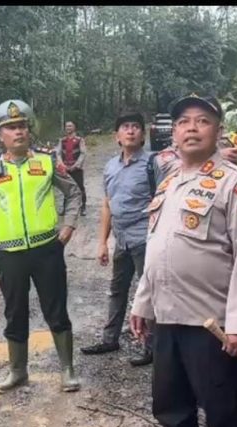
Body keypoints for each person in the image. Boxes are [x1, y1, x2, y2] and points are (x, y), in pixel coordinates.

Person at [130, 95, 237, 427]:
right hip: (168, 319)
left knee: (226, 420)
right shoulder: (169, 180)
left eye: (202, 121)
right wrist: (142, 302)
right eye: (183, 121)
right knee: (171, 407)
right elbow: (158, 247)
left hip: (214, 326)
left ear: (217, 131)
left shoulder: (235, 183)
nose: (191, 127)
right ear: (174, 131)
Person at [0, 99, 82, 394]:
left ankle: (67, 370)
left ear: (29, 131)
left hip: (47, 250)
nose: (17, 131)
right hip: (10, 254)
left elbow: (73, 193)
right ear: (0, 135)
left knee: (55, 308)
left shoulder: (45, 162)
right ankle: (18, 371)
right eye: (10, 128)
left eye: (21, 126)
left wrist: (68, 225)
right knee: (14, 311)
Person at [80, 110, 154, 366]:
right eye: (125, 127)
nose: (130, 130)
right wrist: (103, 242)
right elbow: (107, 205)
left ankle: (151, 346)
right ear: (117, 136)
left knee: (150, 291)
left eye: (136, 126)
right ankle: (110, 338)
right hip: (122, 239)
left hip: (146, 239)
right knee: (117, 289)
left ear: (143, 134)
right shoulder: (111, 167)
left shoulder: (152, 164)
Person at [55, 121, 87, 216]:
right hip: (66, 168)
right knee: (66, 188)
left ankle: (83, 207)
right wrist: (62, 165)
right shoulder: (62, 140)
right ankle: (65, 208)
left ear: (74, 127)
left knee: (80, 188)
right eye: (66, 126)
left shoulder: (79, 140)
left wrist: (77, 165)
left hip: (76, 169)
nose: (68, 128)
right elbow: (58, 153)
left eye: (70, 126)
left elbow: (83, 153)